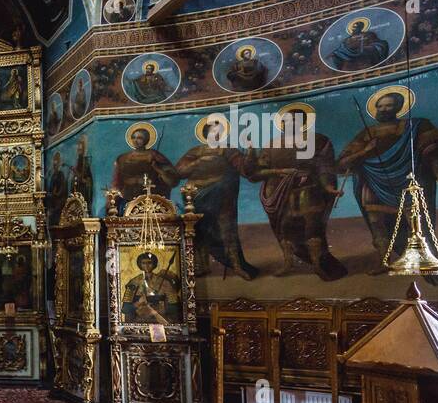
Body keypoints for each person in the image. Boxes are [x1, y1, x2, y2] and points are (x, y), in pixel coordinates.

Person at [337, 89, 438, 272]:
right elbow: (343, 163)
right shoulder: (367, 133)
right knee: (377, 224)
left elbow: (433, 149)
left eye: (388, 105)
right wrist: (365, 152)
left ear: (398, 107)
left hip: (407, 182)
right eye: (380, 106)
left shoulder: (416, 125)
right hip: (373, 184)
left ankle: (423, 260)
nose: (383, 109)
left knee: (416, 222)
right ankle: (385, 262)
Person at [242, 107, 346, 280]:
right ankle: (288, 263)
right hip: (281, 194)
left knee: (313, 228)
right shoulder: (272, 145)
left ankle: (318, 264)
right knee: (285, 229)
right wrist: (256, 156)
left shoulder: (317, 140)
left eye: (292, 120)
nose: (287, 123)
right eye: (285, 121)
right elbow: (255, 174)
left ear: (302, 122)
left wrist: (329, 188)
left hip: (309, 190)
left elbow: (324, 168)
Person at [174, 116, 258, 280]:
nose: (217, 135)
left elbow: (245, 169)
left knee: (227, 230)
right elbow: (180, 172)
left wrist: (250, 152)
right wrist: (198, 163)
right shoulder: (195, 152)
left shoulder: (227, 150)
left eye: (220, 132)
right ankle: (200, 265)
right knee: (199, 230)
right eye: (214, 132)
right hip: (196, 198)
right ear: (206, 133)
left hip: (222, 197)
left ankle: (237, 265)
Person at [112, 124, 177, 205]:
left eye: (139, 138)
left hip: (150, 196)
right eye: (134, 137)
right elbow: (117, 180)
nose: (135, 140)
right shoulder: (122, 158)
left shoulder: (154, 155)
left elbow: (172, 179)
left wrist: (157, 168)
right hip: (127, 196)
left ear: (146, 139)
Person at [121, 252, 180, 324]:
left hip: (160, 320)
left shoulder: (165, 282)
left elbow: (174, 307)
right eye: (143, 263)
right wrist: (138, 303)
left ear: (154, 264)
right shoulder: (133, 282)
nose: (146, 265)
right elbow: (126, 308)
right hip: (139, 321)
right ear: (139, 264)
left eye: (149, 262)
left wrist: (157, 310)